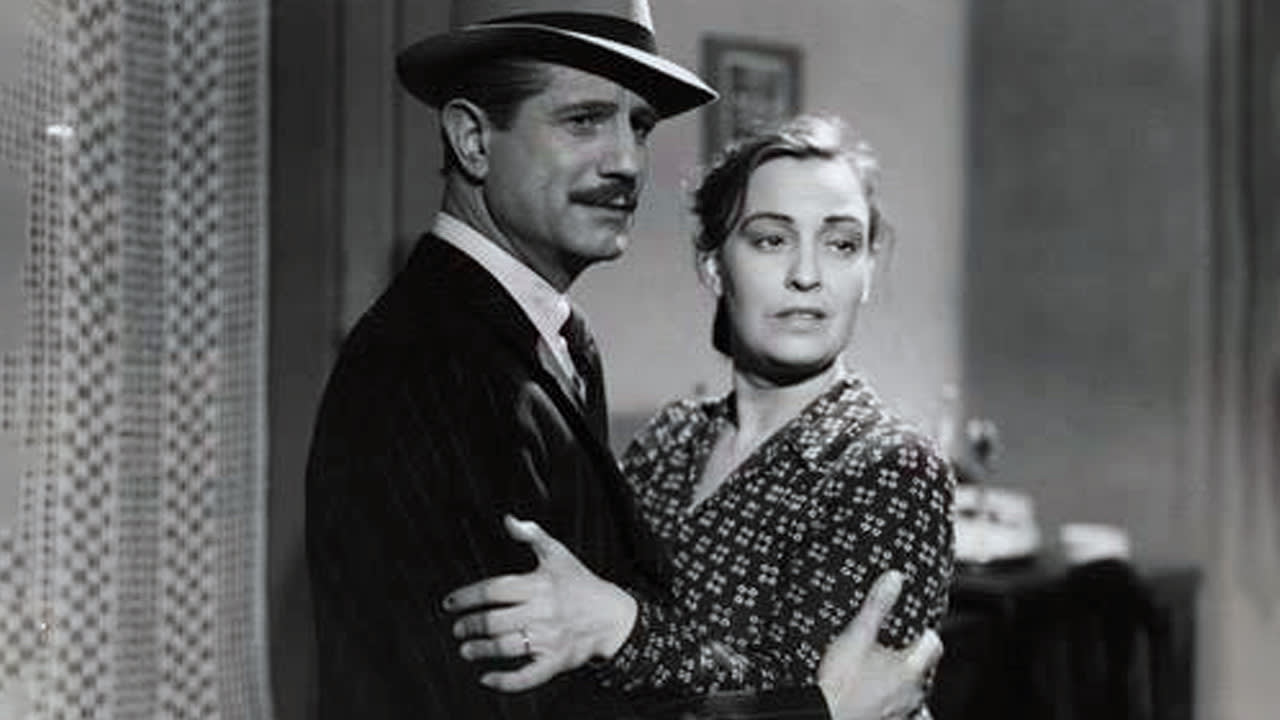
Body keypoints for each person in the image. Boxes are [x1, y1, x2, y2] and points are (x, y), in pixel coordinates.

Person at [305, 0, 941, 716]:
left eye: (639, 126)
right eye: (583, 120)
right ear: (474, 140)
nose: (628, 163)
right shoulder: (431, 363)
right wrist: (819, 712)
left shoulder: (556, 343)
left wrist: (620, 626)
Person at [445, 115, 956, 718]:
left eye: (841, 244)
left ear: (868, 269)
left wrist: (616, 625)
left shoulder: (891, 466)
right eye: (771, 240)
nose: (807, 275)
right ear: (713, 266)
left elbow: (814, 701)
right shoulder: (671, 438)